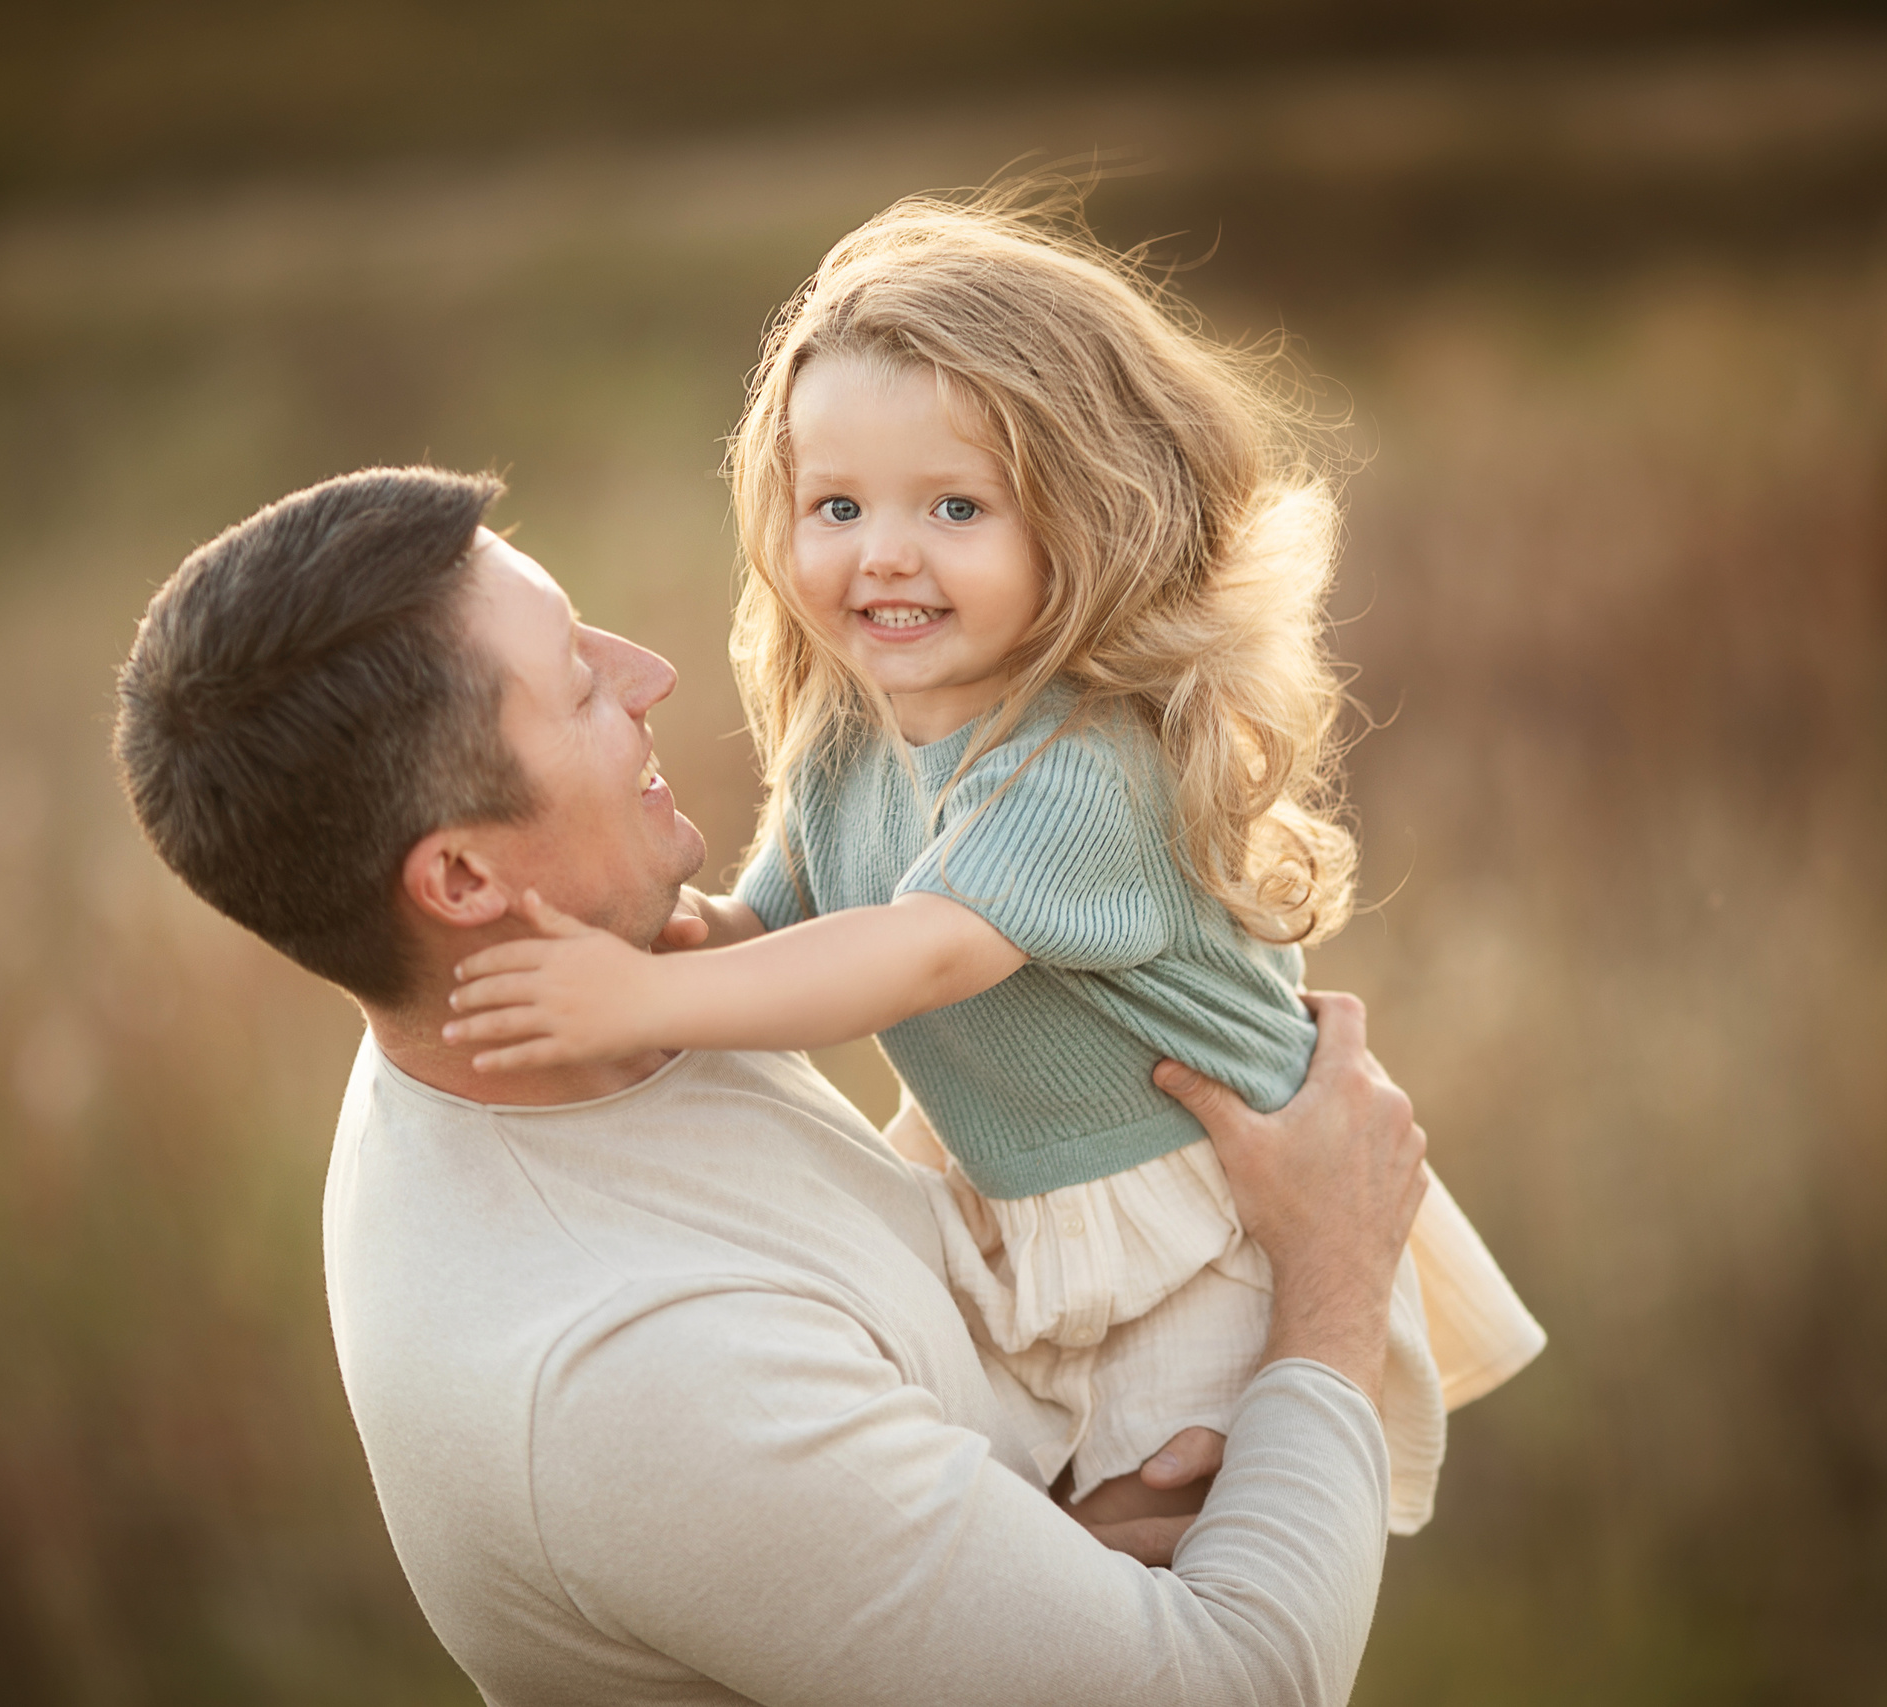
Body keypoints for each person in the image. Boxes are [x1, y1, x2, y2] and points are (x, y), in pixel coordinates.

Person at [112, 463, 1435, 1706]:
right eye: (576, 684)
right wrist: (1329, 1273)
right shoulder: (630, 1382)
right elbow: (1237, 1688)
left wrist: (1018, 1554)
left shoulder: (560, 1001)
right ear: (462, 879)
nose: (650, 675)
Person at [438, 195, 1544, 1535]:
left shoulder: (1083, 759)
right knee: (1014, 1551)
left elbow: (921, 954)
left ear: (1085, 522)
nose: (883, 554)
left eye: (956, 507)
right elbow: (773, 928)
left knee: (1157, 1573)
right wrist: (659, 943)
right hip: (1036, 1225)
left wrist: (640, 1001)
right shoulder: (851, 731)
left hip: (1210, 1228)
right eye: (836, 505)